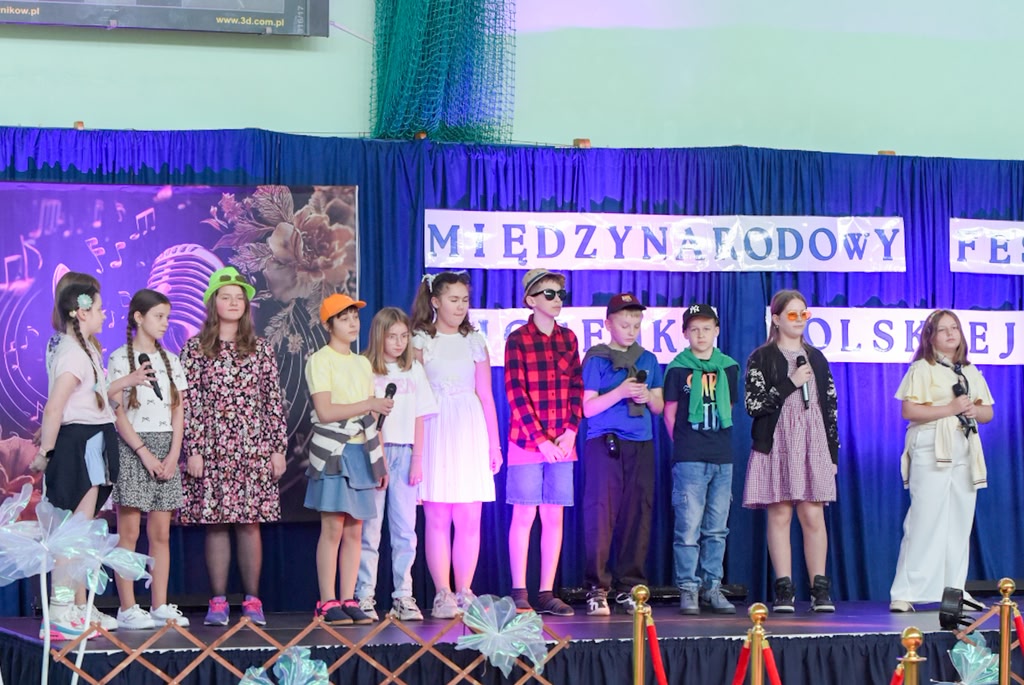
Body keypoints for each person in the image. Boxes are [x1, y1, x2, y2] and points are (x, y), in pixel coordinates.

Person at [33, 277, 152, 639]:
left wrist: (126, 381)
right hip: (79, 445)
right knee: (72, 531)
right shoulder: (71, 353)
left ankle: (73, 607)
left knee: (81, 530)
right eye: (99, 308)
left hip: (93, 441)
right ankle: (60, 610)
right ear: (81, 312)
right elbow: (56, 407)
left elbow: (92, 395)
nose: (104, 314)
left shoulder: (85, 350)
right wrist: (45, 451)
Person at [180, 266, 287, 626]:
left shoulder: (260, 348)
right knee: (216, 523)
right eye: (225, 297)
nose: (233, 303)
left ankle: (253, 601)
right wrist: (194, 449)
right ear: (213, 302)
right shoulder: (195, 349)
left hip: (252, 446)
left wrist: (277, 448)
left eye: (239, 298)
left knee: (249, 523)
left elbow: (272, 401)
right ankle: (218, 602)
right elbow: (189, 403)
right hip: (212, 446)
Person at [410, 271, 502, 619]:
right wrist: (417, 450)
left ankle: (465, 590)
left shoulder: (474, 341)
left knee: (469, 516)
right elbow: (415, 394)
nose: (460, 306)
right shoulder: (422, 340)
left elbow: (486, 395)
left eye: (464, 300)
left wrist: (494, 445)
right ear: (435, 301)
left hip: (469, 426)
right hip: (435, 425)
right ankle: (442, 593)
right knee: (437, 516)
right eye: (453, 299)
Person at [888, 309, 994, 612]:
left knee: (960, 520)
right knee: (925, 518)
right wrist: (950, 408)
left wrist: (973, 411)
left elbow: (987, 412)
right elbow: (909, 410)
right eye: (943, 329)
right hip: (932, 446)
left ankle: (955, 590)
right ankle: (905, 591)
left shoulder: (969, 371)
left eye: (955, 328)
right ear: (930, 337)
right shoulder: (923, 368)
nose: (951, 333)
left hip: (964, 447)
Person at [742, 289, 839, 613]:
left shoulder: (817, 358)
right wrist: (791, 382)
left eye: (804, 314)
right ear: (776, 319)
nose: (799, 320)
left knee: (812, 513)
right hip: (777, 439)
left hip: (813, 439)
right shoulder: (761, 357)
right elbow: (754, 405)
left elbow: (830, 407)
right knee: (780, 513)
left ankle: (819, 588)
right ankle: (784, 588)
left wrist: (833, 454)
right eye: (792, 314)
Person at [304, 294, 391, 626]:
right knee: (333, 528)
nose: (353, 323)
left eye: (355, 316)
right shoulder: (320, 360)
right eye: (344, 318)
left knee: (356, 530)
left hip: (361, 451)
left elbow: (371, 418)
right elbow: (325, 411)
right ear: (329, 325)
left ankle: (348, 598)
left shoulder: (362, 363)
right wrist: (369, 404)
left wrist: (379, 461)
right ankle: (327, 601)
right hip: (333, 450)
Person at [108, 289, 190, 630]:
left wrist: (173, 454)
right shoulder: (119, 359)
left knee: (161, 533)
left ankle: (159, 604)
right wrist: (143, 452)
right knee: (128, 531)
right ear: (138, 317)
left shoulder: (171, 360)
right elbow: (117, 413)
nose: (164, 323)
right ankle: (127, 607)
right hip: (133, 447)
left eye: (167, 317)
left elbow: (178, 410)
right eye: (158, 316)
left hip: (165, 446)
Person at [504, 269, 582, 616]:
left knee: (554, 515)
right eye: (549, 293)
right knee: (524, 512)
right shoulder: (517, 339)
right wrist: (540, 440)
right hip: (526, 440)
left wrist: (571, 430)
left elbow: (577, 387)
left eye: (560, 294)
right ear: (531, 300)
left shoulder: (569, 338)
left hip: (563, 440)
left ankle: (547, 592)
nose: (556, 299)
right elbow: (515, 393)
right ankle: (519, 591)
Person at [581, 293, 664, 616]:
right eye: (624, 324)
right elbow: (588, 408)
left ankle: (629, 587)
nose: (630, 331)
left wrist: (646, 397)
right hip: (606, 442)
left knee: (637, 515)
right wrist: (620, 392)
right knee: (600, 515)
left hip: (640, 443)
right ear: (608, 324)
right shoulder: (596, 359)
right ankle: (597, 587)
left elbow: (658, 406)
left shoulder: (648, 359)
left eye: (636, 325)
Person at [355, 307, 437, 622]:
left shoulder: (413, 369)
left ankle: (403, 596)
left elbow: (420, 415)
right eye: (392, 336)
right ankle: (364, 595)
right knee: (370, 530)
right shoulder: (365, 368)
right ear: (379, 336)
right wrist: (378, 459)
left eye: (404, 336)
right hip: (374, 453)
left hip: (405, 453)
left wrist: (417, 459)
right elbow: (366, 417)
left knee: (405, 531)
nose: (400, 343)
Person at [663, 304, 739, 615]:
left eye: (707, 328)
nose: (701, 334)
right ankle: (688, 588)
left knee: (717, 530)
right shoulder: (677, 368)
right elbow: (669, 414)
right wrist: (686, 444)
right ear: (685, 333)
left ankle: (712, 587)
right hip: (690, 458)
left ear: (716, 331)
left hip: (722, 457)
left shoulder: (729, 367)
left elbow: (728, 409)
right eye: (694, 329)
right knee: (688, 529)